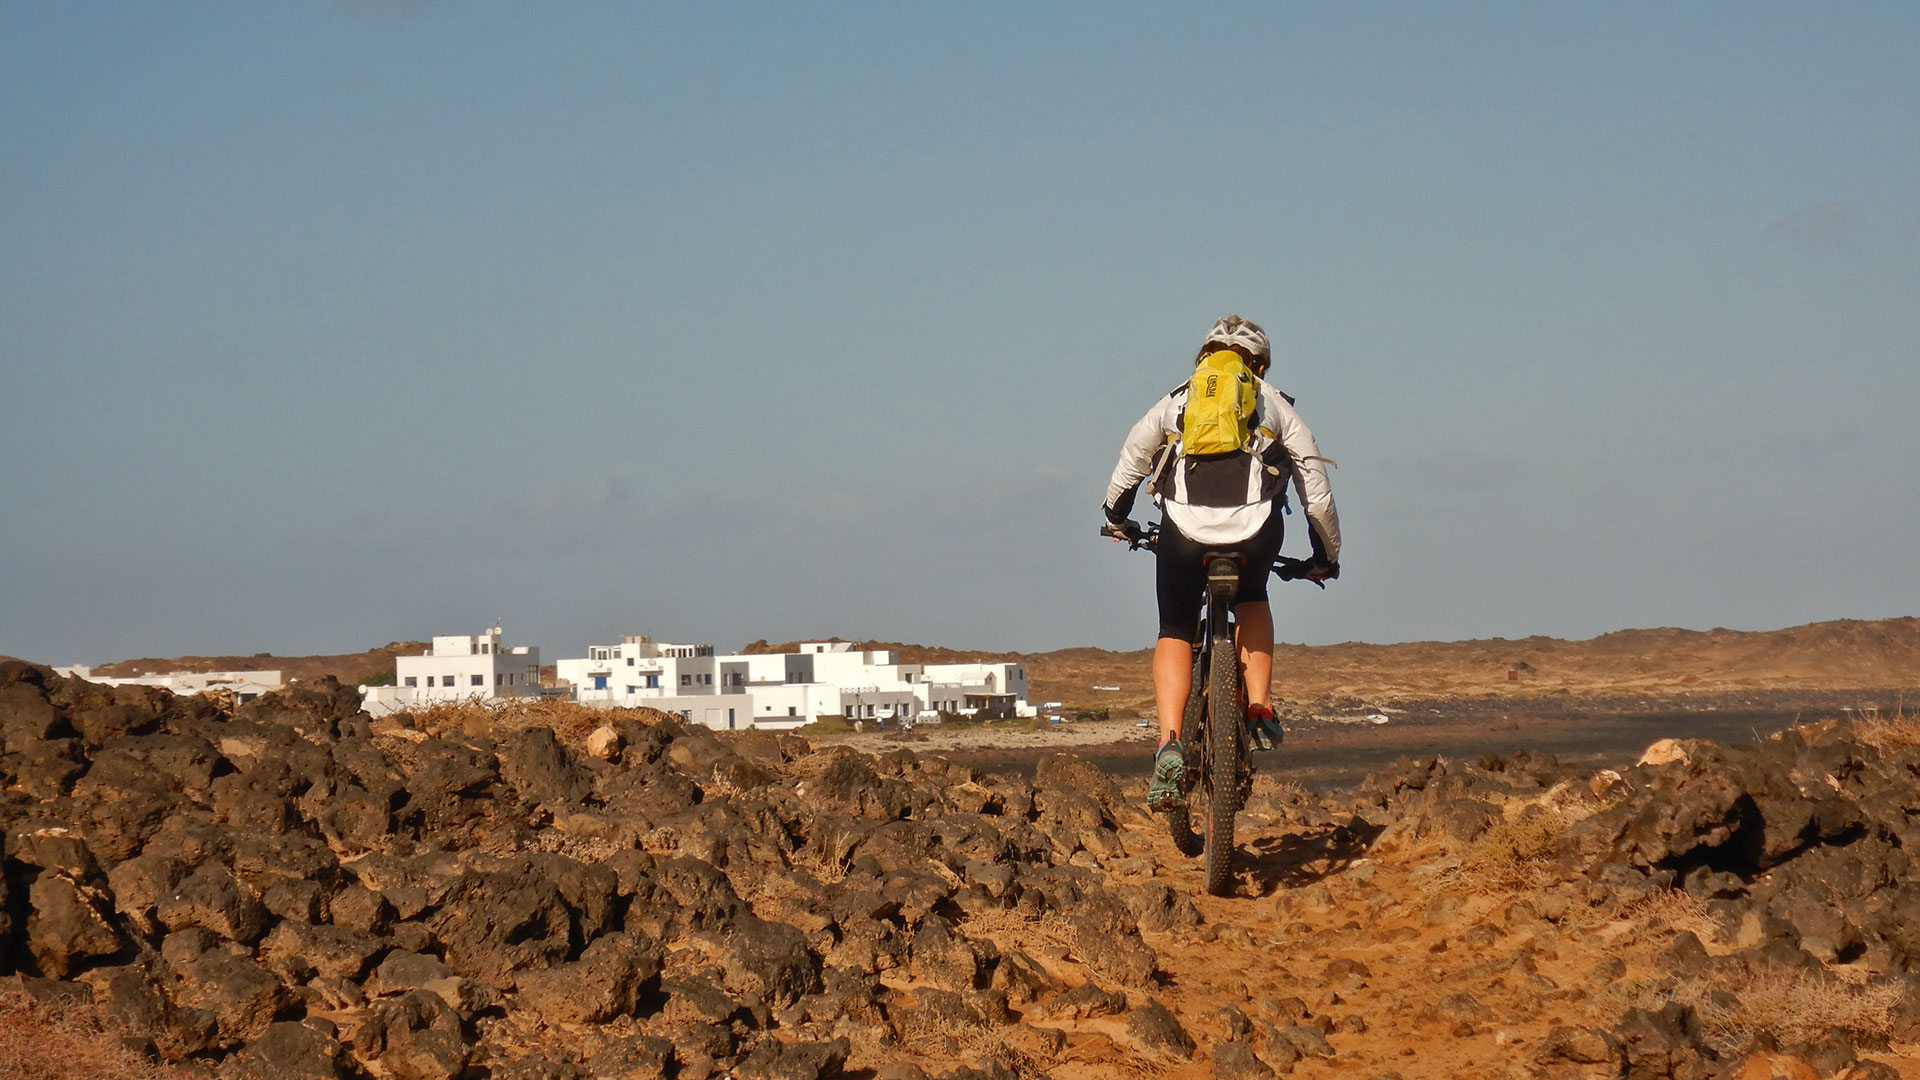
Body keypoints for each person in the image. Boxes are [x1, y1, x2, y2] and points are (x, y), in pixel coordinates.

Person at [1102, 314, 1341, 811]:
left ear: (1205, 356)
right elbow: (1315, 491)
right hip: (1256, 531)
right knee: (1253, 596)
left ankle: (1170, 743)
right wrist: (1325, 555)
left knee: (1174, 626)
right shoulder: (1272, 401)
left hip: (1184, 532)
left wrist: (1116, 516)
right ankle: (1258, 706)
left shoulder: (1179, 398)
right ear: (1260, 364)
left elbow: (1132, 457)